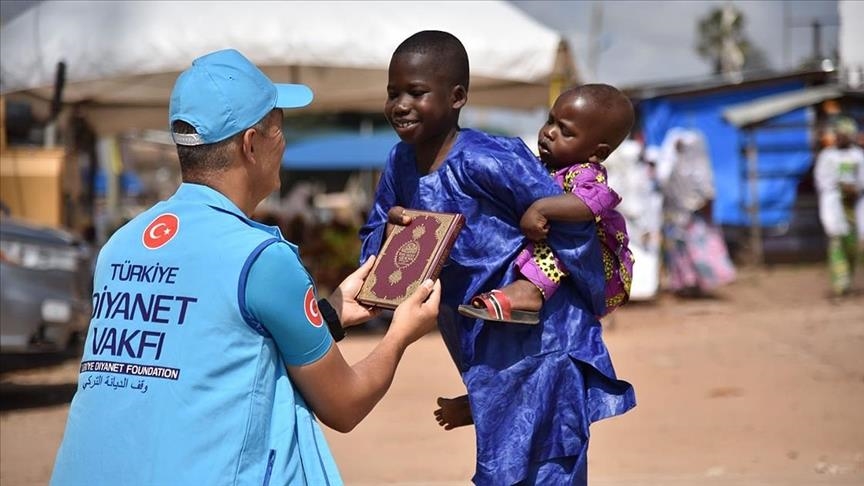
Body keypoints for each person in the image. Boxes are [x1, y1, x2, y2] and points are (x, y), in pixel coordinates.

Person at [50, 48, 441, 486]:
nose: (284, 144)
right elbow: (344, 404)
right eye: (279, 129)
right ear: (251, 144)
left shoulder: (120, 245)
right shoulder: (260, 257)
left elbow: (213, 341)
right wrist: (401, 333)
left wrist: (329, 311)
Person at [359, 31, 634, 485]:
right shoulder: (399, 164)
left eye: (416, 92)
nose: (401, 105)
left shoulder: (490, 160)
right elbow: (372, 241)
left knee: (537, 472)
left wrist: (559, 289)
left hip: (542, 343)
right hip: (481, 347)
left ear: (457, 97)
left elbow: (576, 225)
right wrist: (391, 235)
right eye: (393, 93)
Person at [455, 84, 635, 326]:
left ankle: (531, 291)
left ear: (597, 151)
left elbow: (592, 202)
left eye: (565, 131)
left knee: (565, 234)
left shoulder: (585, 173)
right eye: (550, 121)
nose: (549, 132)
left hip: (597, 260)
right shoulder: (544, 166)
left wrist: (541, 209)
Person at [655, 127, 735, 297]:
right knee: (693, 251)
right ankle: (692, 285)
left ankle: (689, 285)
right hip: (692, 220)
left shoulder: (672, 170)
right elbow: (708, 194)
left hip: (681, 219)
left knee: (685, 253)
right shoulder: (698, 170)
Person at [814, 116, 864, 298]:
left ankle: (849, 281)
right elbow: (822, 180)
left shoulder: (858, 155)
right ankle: (840, 284)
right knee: (837, 243)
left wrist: (855, 189)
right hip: (835, 205)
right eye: (840, 134)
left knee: (853, 246)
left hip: (855, 207)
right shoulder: (827, 156)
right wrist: (839, 186)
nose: (842, 137)